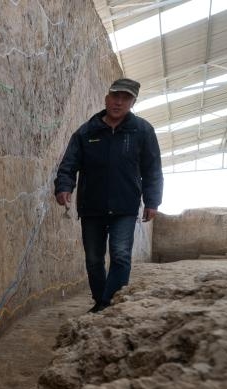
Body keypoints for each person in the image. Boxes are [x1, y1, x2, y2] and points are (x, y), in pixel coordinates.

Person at [54, 77, 164, 313]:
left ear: (133, 102)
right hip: (92, 207)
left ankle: (108, 304)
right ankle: (100, 299)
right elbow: (69, 163)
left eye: (126, 98)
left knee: (121, 254)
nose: (119, 102)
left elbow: (152, 169)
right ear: (107, 98)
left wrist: (152, 201)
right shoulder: (87, 131)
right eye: (115, 96)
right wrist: (64, 186)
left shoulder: (142, 131)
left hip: (124, 207)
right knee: (94, 260)